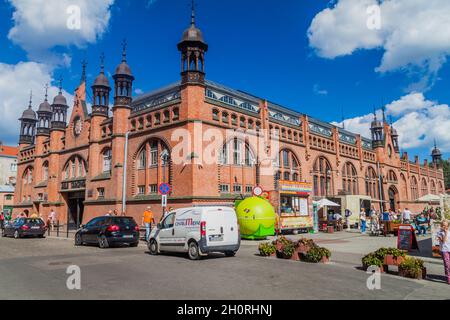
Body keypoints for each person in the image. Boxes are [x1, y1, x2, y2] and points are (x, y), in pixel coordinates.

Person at [436, 220, 450, 285]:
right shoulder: (439, 233)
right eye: (443, 225)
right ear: (441, 226)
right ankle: (449, 278)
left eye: (446, 225)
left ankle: (447, 275)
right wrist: (446, 233)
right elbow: (443, 241)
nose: (445, 227)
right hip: (444, 250)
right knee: (447, 265)